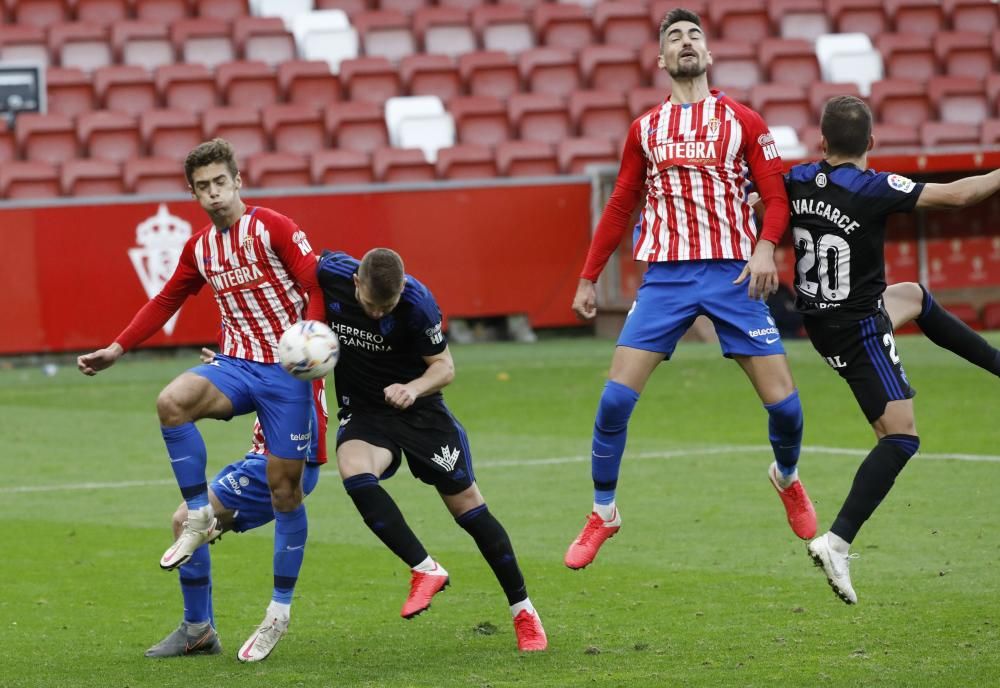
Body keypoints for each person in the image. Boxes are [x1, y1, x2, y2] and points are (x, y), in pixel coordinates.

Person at [564, 7, 816, 572]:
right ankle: (603, 511)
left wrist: (764, 247)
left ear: (708, 55)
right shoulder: (645, 129)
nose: (685, 42)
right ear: (660, 59)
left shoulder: (745, 121)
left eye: (693, 35)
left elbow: (775, 197)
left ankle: (788, 477)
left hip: (732, 274)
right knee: (613, 401)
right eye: (674, 36)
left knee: (788, 410)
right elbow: (621, 204)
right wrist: (587, 276)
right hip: (666, 280)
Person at [76, 139, 325, 660]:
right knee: (172, 400)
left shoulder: (274, 226)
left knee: (287, 492)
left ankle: (278, 612)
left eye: (220, 183)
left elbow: (313, 281)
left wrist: (311, 339)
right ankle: (198, 559)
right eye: (203, 187)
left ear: (238, 181)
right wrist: (118, 348)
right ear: (192, 192)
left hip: (286, 374)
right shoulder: (200, 249)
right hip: (235, 364)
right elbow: (167, 297)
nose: (213, 194)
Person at [784, 95, 1000, 604]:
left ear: (822, 141)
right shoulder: (873, 187)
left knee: (914, 296)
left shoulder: (795, 179)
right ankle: (836, 543)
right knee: (900, 437)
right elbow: (959, 195)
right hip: (856, 329)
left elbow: (754, 202)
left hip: (818, 316)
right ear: (871, 144)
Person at [316, 248, 547, 652]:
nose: (377, 314)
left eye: (386, 306)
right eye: (370, 305)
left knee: (469, 510)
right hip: (367, 410)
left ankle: (524, 611)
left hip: (421, 412)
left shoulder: (417, 303)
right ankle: (425, 569)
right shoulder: (331, 271)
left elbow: (444, 367)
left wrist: (413, 388)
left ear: (401, 289)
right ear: (356, 283)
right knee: (354, 471)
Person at [146, 357, 328, 661]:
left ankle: (198, 630)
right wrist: (228, 364)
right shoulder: (293, 356)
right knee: (188, 522)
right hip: (264, 459)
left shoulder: (293, 360)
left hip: (276, 465)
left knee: (183, 520)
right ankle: (199, 630)